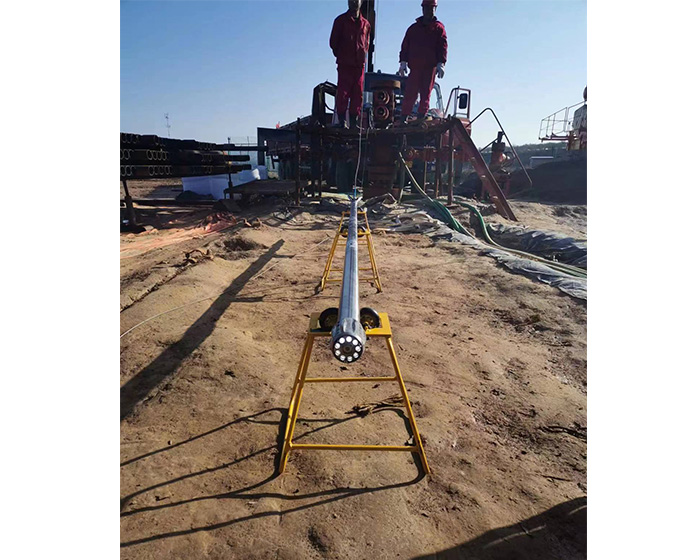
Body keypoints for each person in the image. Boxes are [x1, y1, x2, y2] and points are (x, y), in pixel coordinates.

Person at [397, 0, 447, 124]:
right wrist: (403, 61)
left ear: (435, 9)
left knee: (426, 93)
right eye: (427, 8)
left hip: (430, 67)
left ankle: (421, 117)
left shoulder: (439, 29)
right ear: (422, 9)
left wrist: (441, 63)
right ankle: (404, 117)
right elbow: (405, 46)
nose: (429, 11)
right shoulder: (413, 29)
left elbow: (442, 47)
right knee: (410, 92)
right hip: (415, 67)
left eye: (431, 8)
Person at [329, 0, 371, 129]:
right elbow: (333, 42)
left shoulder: (366, 24)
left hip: (359, 65)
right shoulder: (340, 21)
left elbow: (366, 43)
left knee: (358, 93)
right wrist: (342, 55)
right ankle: (342, 121)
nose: (354, 2)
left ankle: (354, 123)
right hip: (345, 64)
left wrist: (361, 55)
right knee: (343, 93)